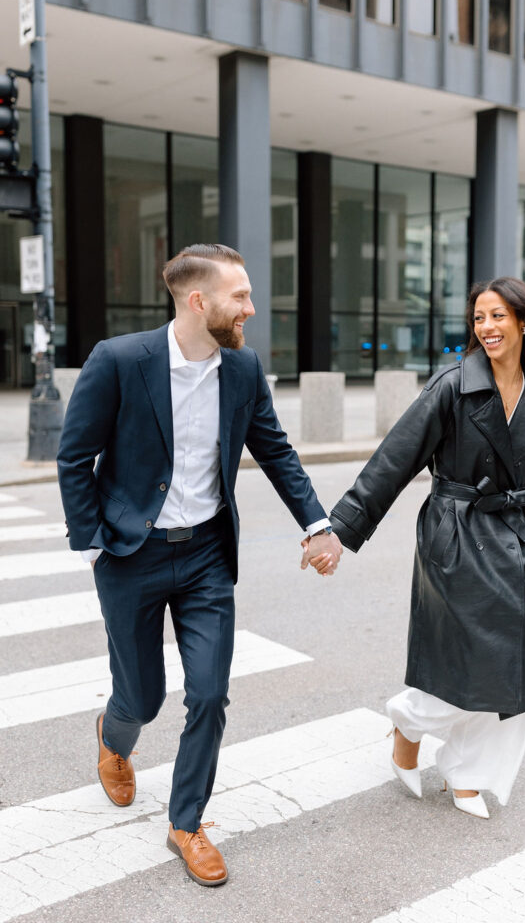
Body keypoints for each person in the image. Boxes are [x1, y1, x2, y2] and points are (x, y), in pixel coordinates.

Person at [57, 244, 342, 887]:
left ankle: (187, 822)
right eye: (239, 296)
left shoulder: (241, 369)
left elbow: (275, 450)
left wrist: (317, 524)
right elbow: (75, 457)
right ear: (198, 302)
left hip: (209, 552)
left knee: (210, 693)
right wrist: (94, 540)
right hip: (132, 554)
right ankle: (114, 735)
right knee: (144, 695)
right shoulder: (121, 360)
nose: (249, 308)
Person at [317, 277, 525, 818]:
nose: (487, 327)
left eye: (497, 316)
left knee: (519, 667)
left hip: (511, 537)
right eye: (479, 317)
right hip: (455, 535)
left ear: (523, 322)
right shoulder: (453, 385)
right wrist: (340, 529)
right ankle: (408, 722)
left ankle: (468, 775)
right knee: (463, 660)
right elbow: (394, 459)